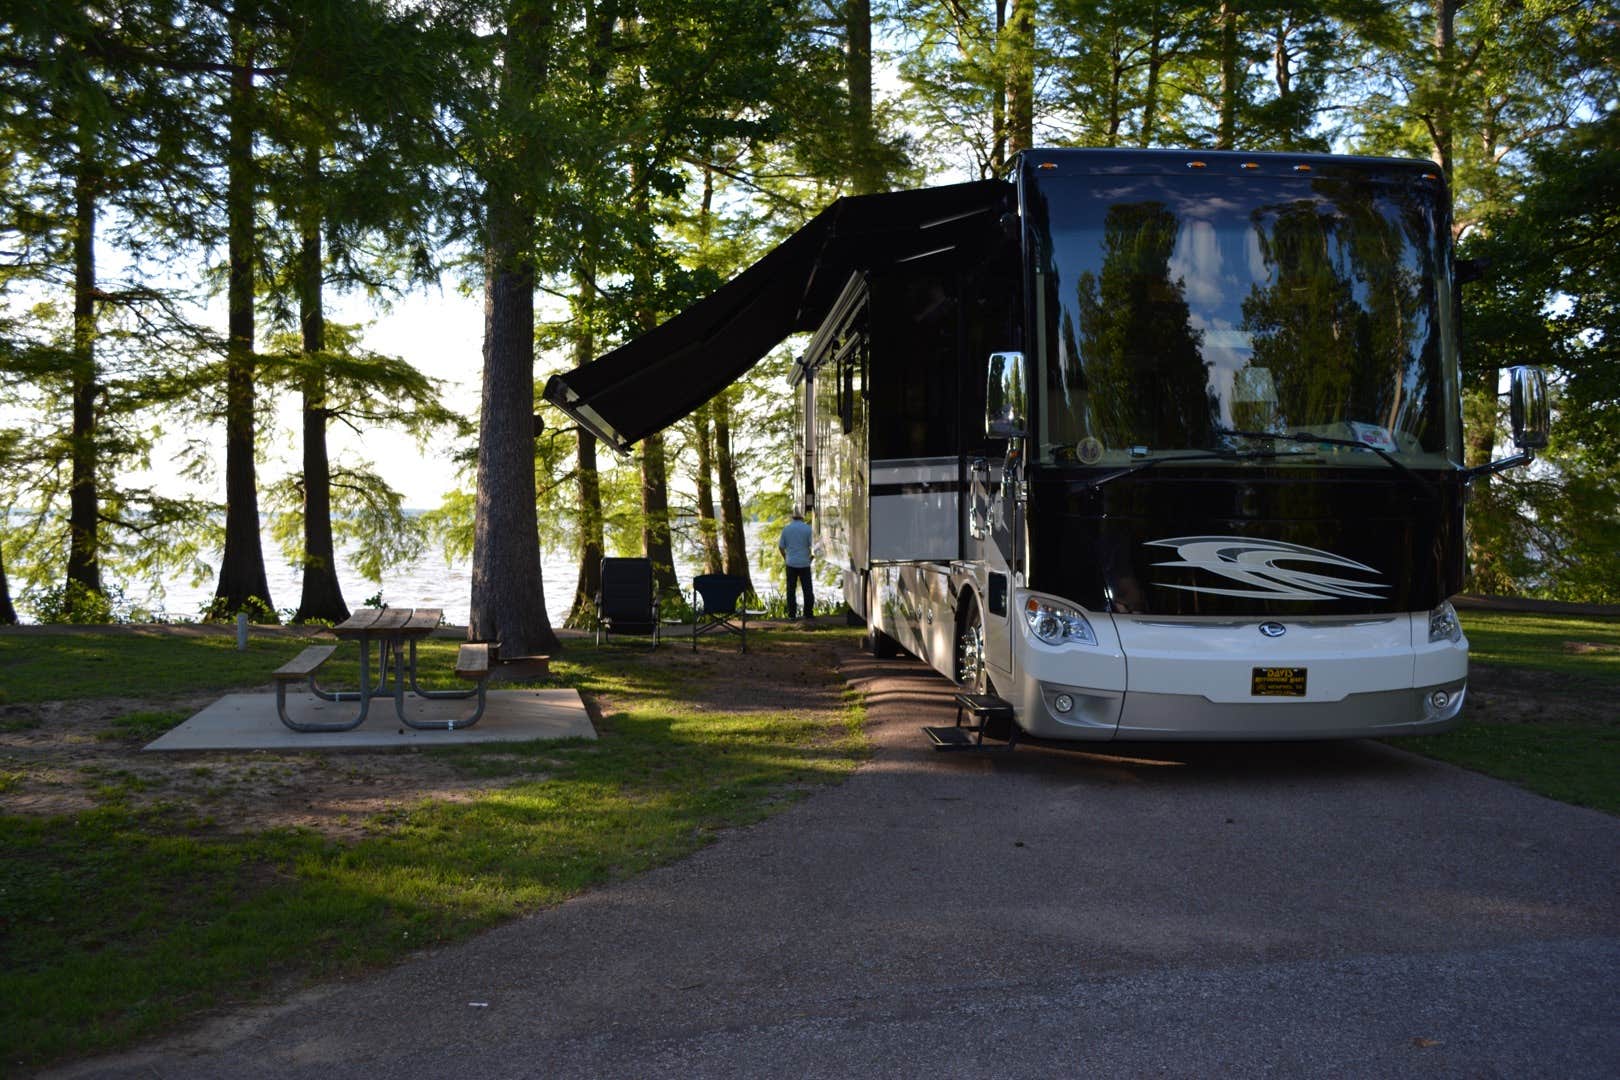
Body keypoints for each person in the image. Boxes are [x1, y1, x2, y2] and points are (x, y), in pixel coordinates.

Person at [777, 509, 815, 620]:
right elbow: (815, 548)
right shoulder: (808, 529)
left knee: (791, 590)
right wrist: (810, 559)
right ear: (802, 517)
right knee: (807, 589)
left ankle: (792, 614)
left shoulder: (786, 529)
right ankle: (808, 613)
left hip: (791, 563)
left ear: (792, 517)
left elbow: (781, 547)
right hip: (804, 563)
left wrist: (786, 558)